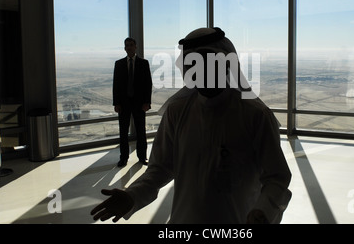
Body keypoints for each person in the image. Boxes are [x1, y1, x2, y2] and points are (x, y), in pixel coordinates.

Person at [92, 28, 292, 223]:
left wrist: (263, 211)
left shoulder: (255, 115)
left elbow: (277, 177)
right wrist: (132, 196)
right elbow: (160, 169)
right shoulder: (177, 112)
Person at [113, 37, 152, 167]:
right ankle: (123, 158)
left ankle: (142, 157)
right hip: (123, 104)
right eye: (127, 45)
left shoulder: (144, 63)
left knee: (141, 131)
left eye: (131, 45)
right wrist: (116, 103)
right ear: (124, 48)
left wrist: (147, 102)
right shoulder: (118, 64)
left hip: (139, 104)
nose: (129, 47)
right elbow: (116, 85)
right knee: (123, 132)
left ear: (136, 47)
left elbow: (148, 84)